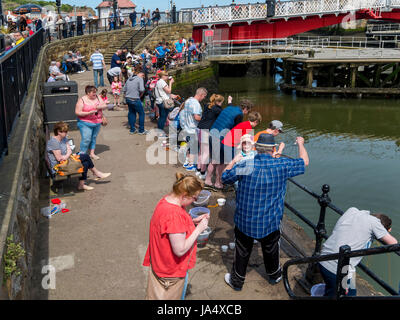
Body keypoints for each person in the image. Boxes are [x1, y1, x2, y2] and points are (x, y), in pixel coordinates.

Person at [222, 134, 309, 291]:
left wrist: (234, 161)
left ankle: (237, 282)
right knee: (271, 248)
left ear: (256, 148)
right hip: (270, 220)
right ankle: (275, 275)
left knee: (242, 250)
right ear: (274, 149)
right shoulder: (282, 165)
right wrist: (301, 144)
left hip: (245, 220)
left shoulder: (245, 165)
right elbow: (304, 162)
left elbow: (225, 177)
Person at [143, 173, 209, 300]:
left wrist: (192, 221)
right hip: (171, 272)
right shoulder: (175, 215)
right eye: (194, 198)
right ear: (184, 195)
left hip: (159, 263)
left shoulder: (165, 201)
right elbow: (180, 250)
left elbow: (170, 227)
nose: (194, 202)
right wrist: (199, 229)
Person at [318, 207, 397, 297]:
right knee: (348, 295)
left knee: (338, 290)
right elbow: (394, 243)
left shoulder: (352, 211)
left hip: (323, 258)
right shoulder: (374, 223)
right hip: (339, 269)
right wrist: (386, 231)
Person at [47, 122, 111, 191]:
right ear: (59, 132)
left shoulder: (63, 138)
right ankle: (96, 173)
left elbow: (69, 150)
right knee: (86, 156)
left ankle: (82, 185)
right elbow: (59, 158)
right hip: (59, 167)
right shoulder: (54, 142)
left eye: (67, 131)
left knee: (85, 163)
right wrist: (68, 155)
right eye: (65, 132)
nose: (66, 133)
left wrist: (67, 155)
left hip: (66, 161)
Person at [206, 97, 253, 191]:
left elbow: (230, 104)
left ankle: (207, 180)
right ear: (246, 109)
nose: (246, 113)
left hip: (212, 133)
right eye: (248, 111)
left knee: (213, 160)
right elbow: (236, 130)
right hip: (220, 138)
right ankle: (218, 183)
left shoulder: (229, 107)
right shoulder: (239, 114)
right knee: (221, 163)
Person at [75, 85, 109, 160]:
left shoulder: (97, 97)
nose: (95, 94)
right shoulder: (82, 100)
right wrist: (88, 113)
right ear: (88, 93)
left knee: (93, 138)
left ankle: (92, 154)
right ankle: (82, 154)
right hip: (85, 123)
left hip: (97, 122)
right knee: (86, 139)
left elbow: (104, 105)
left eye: (95, 92)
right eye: (93, 93)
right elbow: (77, 112)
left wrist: (99, 107)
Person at [196, 94, 224, 180]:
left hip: (199, 128)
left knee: (201, 151)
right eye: (222, 102)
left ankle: (198, 169)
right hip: (206, 131)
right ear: (218, 102)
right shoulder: (217, 109)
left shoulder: (207, 105)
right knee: (206, 153)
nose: (222, 104)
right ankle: (203, 173)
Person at [179, 88, 208, 172]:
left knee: (189, 146)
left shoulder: (188, 101)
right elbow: (196, 117)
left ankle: (187, 161)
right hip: (193, 129)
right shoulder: (196, 104)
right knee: (193, 148)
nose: (204, 98)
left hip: (187, 127)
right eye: (204, 96)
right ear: (201, 95)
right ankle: (191, 165)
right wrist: (205, 119)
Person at [123, 70, 148, 135]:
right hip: (135, 99)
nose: (143, 77)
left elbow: (124, 89)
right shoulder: (140, 79)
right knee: (141, 114)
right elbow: (142, 89)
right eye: (143, 75)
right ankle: (141, 130)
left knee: (131, 113)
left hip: (128, 98)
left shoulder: (129, 79)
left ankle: (132, 129)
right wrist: (140, 94)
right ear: (140, 73)